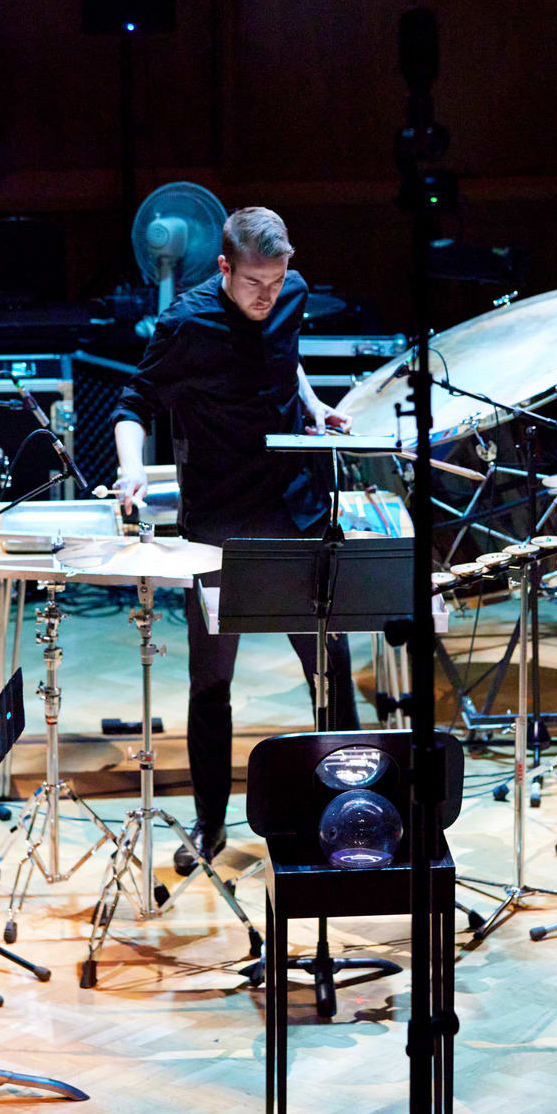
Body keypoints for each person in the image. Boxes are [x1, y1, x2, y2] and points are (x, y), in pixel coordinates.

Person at [111, 206, 360, 875]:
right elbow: (135, 403)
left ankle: (356, 810)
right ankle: (212, 823)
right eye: (254, 283)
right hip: (219, 524)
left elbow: (287, 360)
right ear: (224, 267)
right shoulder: (186, 323)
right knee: (210, 682)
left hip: (297, 507)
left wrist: (312, 408)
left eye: (277, 282)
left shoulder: (293, 292)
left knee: (329, 665)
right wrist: (132, 468)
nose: (268, 295)